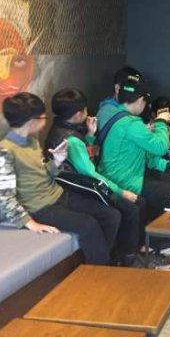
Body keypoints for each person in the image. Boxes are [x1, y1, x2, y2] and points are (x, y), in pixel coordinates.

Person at [0, 92, 121, 265]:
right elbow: (3, 195)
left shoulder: (32, 141)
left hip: (58, 195)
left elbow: (42, 173)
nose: (45, 121)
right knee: (89, 225)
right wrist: (30, 223)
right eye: (43, 117)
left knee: (111, 215)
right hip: (40, 208)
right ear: (32, 121)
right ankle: (100, 273)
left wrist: (56, 162)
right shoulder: (4, 150)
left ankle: (102, 265)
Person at [45, 88, 145, 267]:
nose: (88, 113)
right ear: (78, 114)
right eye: (85, 110)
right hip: (78, 189)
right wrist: (121, 192)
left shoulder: (60, 128)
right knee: (129, 207)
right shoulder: (71, 139)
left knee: (127, 207)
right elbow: (89, 173)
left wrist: (90, 136)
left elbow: (83, 161)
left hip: (76, 184)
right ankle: (126, 258)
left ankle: (119, 257)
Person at [97, 73, 170, 251]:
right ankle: (152, 245)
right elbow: (160, 147)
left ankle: (149, 243)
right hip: (123, 181)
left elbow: (148, 155)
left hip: (122, 176)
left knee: (167, 187)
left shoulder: (118, 117)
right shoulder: (131, 124)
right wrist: (161, 122)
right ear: (140, 100)